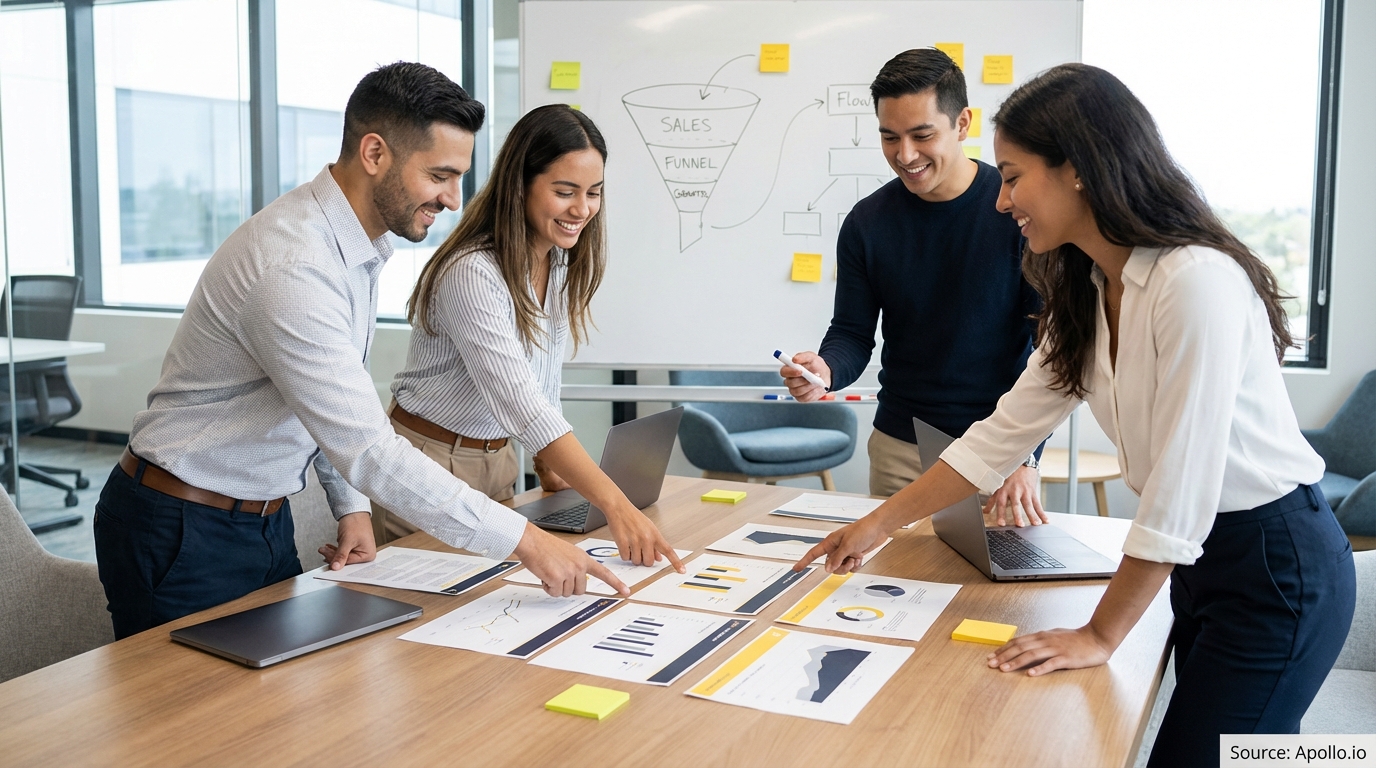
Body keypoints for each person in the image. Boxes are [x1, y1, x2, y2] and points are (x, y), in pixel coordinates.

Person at [795, 63, 1356, 766]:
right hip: (1203, 565)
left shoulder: (1195, 282)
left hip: (1276, 562)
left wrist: (1099, 635)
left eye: (1012, 176)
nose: (1001, 202)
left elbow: (1180, 492)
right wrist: (874, 524)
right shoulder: (1086, 286)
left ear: (1079, 171)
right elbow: (998, 438)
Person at [94, 63, 627, 640]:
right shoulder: (295, 264)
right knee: (194, 723)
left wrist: (349, 505)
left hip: (259, 518)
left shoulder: (356, 248)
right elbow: (371, 449)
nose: (453, 199)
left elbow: (323, 398)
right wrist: (528, 543)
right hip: (180, 522)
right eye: (440, 175)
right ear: (375, 153)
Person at [373, 104, 683, 571]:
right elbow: (520, 401)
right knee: (439, 627)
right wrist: (616, 505)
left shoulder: (556, 262)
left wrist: (547, 462)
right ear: (520, 185)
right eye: (564, 192)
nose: (582, 209)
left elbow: (541, 379)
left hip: (497, 462)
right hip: (427, 464)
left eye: (594, 193)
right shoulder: (472, 272)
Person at [780, 48, 1046, 526]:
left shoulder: (1016, 213)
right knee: (892, 592)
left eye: (922, 135)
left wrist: (1026, 456)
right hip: (901, 446)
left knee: (991, 599)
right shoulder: (867, 222)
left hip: (1000, 451)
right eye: (889, 137)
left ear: (962, 123)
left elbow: (1048, 348)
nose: (905, 155)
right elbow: (852, 333)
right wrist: (827, 368)